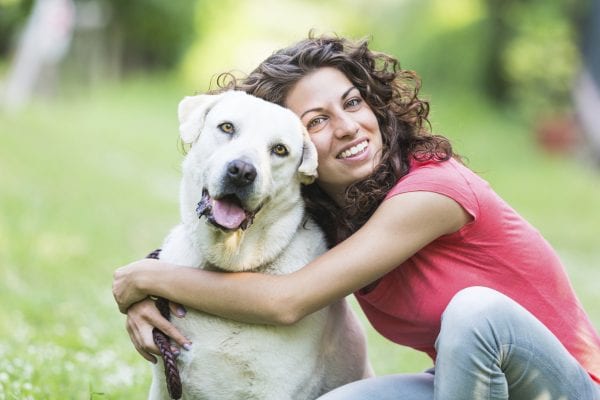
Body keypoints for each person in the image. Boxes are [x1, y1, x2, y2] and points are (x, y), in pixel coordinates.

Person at [113, 34, 600, 399]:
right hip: (467, 385)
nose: (347, 127)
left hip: (569, 388)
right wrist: (147, 293)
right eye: (317, 121)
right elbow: (232, 251)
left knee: (477, 311)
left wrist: (145, 277)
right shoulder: (338, 215)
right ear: (296, 155)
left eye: (352, 103)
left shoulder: (434, 191)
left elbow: (285, 300)